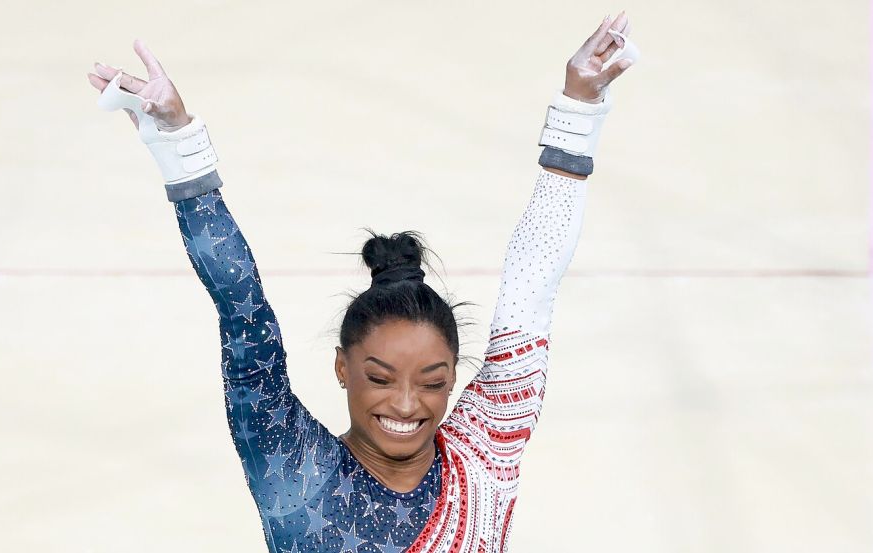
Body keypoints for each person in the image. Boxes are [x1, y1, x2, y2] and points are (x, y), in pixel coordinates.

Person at [87, 11, 634, 552]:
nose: (405, 404)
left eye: (432, 382)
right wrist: (179, 147)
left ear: (452, 380)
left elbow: (530, 290)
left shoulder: (483, 452)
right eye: (381, 377)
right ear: (342, 369)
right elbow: (242, 313)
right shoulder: (291, 464)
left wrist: (579, 108)